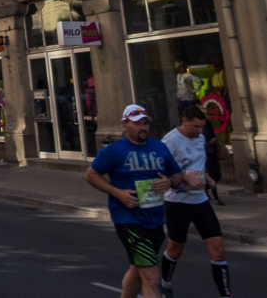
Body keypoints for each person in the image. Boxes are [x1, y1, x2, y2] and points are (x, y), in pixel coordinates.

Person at [85, 104, 187, 298]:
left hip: (155, 218)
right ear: (126, 125)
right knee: (152, 278)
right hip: (129, 219)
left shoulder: (159, 147)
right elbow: (91, 175)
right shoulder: (115, 150)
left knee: (138, 270)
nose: (143, 127)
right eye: (137, 123)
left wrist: (169, 182)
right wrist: (118, 193)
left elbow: (177, 175)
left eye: (145, 123)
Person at [160, 107, 232, 298]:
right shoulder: (170, 141)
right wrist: (184, 177)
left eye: (202, 127)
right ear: (184, 121)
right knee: (175, 248)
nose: (200, 131)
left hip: (200, 200)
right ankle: (165, 282)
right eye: (196, 126)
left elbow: (200, 161)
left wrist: (207, 177)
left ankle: (225, 295)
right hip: (177, 202)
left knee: (218, 250)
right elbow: (160, 170)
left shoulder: (200, 138)